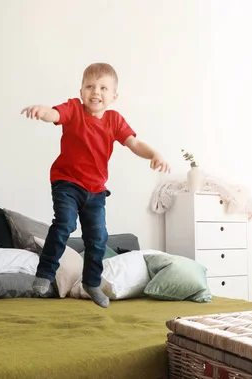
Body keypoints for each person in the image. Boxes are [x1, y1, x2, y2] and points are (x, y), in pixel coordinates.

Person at [20, 63, 170, 308]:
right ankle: (45, 273)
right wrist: (42, 111)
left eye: (103, 88)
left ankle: (91, 282)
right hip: (66, 181)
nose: (96, 92)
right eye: (90, 86)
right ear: (81, 92)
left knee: (98, 238)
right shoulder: (74, 110)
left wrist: (155, 153)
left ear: (113, 96)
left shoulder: (114, 120)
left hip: (96, 190)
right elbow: (55, 115)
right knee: (65, 224)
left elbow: (133, 143)